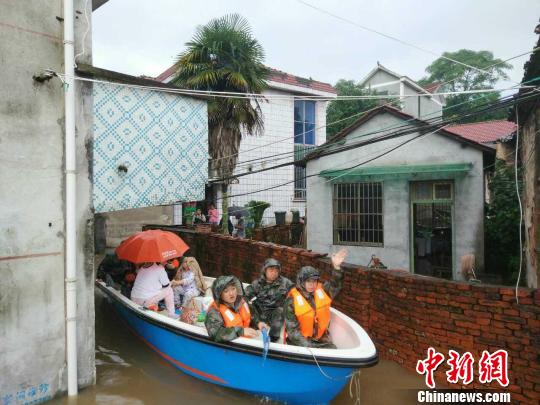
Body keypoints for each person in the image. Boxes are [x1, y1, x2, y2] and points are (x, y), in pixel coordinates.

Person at [283, 248, 347, 348]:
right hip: (301, 342)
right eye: (309, 281)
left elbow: (335, 285)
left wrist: (336, 267)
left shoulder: (323, 290)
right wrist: (308, 346)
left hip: (321, 338)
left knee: (333, 350)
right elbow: (292, 331)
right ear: (301, 281)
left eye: (315, 281)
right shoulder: (291, 301)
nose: (312, 284)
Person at [205, 275, 268, 342]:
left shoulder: (242, 302)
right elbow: (216, 333)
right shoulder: (214, 311)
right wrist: (240, 331)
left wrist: (258, 323)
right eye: (226, 291)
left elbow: (251, 315)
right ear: (220, 294)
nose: (231, 293)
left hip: (247, 340)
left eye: (233, 288)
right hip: (232, 346)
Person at [244, 258, 294, 342]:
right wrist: (251, 301)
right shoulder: (257, 283)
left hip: (274, 315)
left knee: (281, 310)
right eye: (271, 270)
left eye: (276, 270)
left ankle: (273, 339)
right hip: (259, 313)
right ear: (265, 270)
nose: (274, 273)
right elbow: (245, 295)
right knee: (247, 305)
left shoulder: (285, 283)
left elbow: (296, 292)